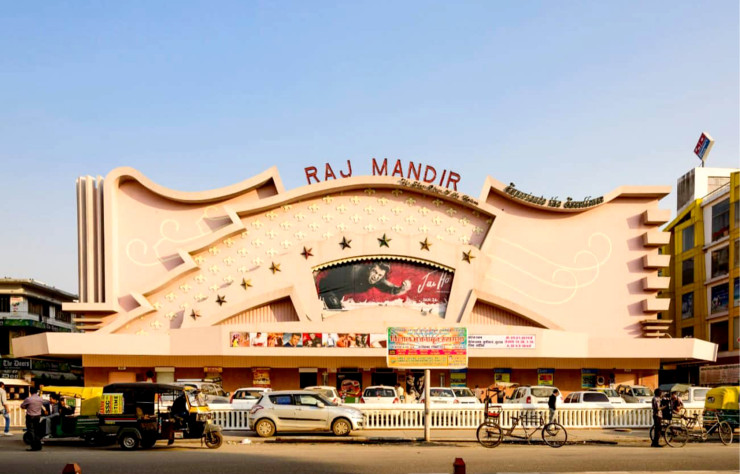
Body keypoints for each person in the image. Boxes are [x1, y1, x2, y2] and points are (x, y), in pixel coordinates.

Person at [318, 262, 412, 309]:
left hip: (336, 293)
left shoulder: (377, 280)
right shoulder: (354, 272)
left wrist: (403, 288)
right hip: (326, 287)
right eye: (374, 272)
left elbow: (392, 289)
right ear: (369, 269)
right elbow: (330, 280)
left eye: (380, 275)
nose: (375, 277)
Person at [21, 386, 47, 451]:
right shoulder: (40, 399)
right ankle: (38, 445)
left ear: (30, 392)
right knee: (36, 431)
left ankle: (34, 446)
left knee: (31, 431)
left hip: (30, 416)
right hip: (37, 416)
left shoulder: (28, 399)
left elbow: (22, 406)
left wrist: (27, 407)